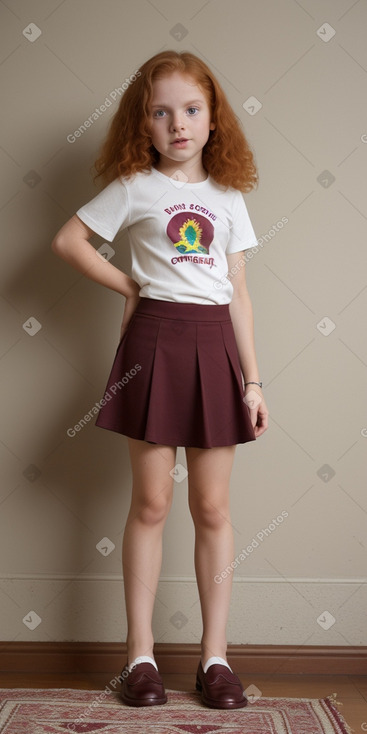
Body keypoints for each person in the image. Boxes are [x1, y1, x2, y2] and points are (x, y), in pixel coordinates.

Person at [52, 50, 269, 709]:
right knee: (150, 504)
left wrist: (253, 383)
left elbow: (236, 291)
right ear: (141, 124)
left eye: (191, 109)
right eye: (160, 111)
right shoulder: (133, 187)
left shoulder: (228, 196)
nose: (177, 123)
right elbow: (68, 242)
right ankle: (139, 657)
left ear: (212, 119)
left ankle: (214, 660)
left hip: (213, 348)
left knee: (211, 509)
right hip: (151, 345)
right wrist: (134, 285)